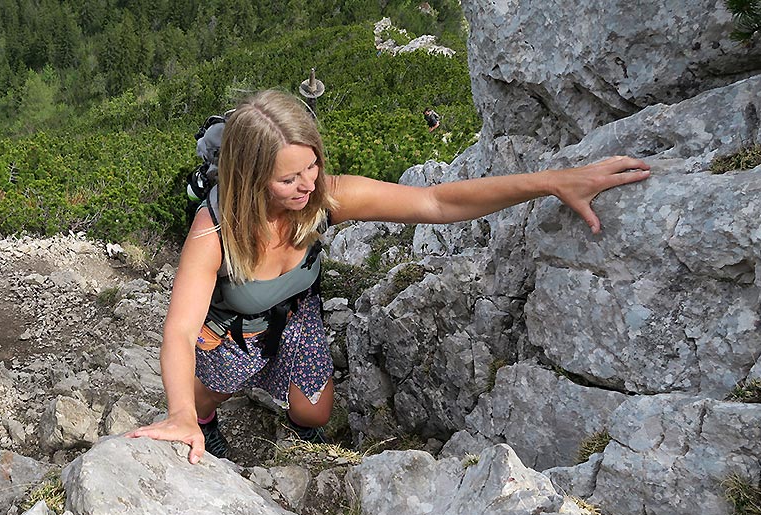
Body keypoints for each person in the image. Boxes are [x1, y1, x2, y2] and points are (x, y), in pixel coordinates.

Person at [127, 89, 650, 464]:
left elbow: (436, 201)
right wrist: (180, 416)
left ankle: (275, 421)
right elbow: (178, 330)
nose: (308, 185)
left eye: (312, 167)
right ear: (249, 178)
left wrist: (551, 182)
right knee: (203, 395)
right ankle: (209, 416)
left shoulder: (326, 196)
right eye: (289, 178)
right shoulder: (213, 233)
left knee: (313, 414)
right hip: (230, 326)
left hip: (293, 311)